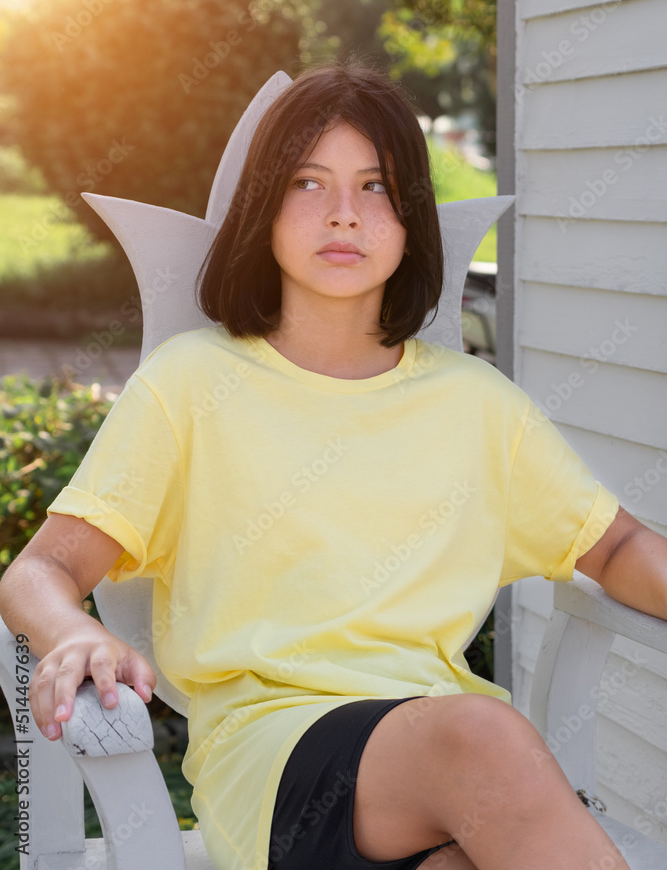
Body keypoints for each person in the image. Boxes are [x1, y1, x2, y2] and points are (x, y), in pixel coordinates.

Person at [0, 61, 664, 870]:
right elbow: (39, 571)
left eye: (375, 187)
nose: (344, 215)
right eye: (309, 185)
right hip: (278, 757)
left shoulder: (476, 402)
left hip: (450, 773)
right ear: (264, 209)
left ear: (410, 217)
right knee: (484, 735)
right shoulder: (191, 383)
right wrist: (68, 630)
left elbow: (618, 548)